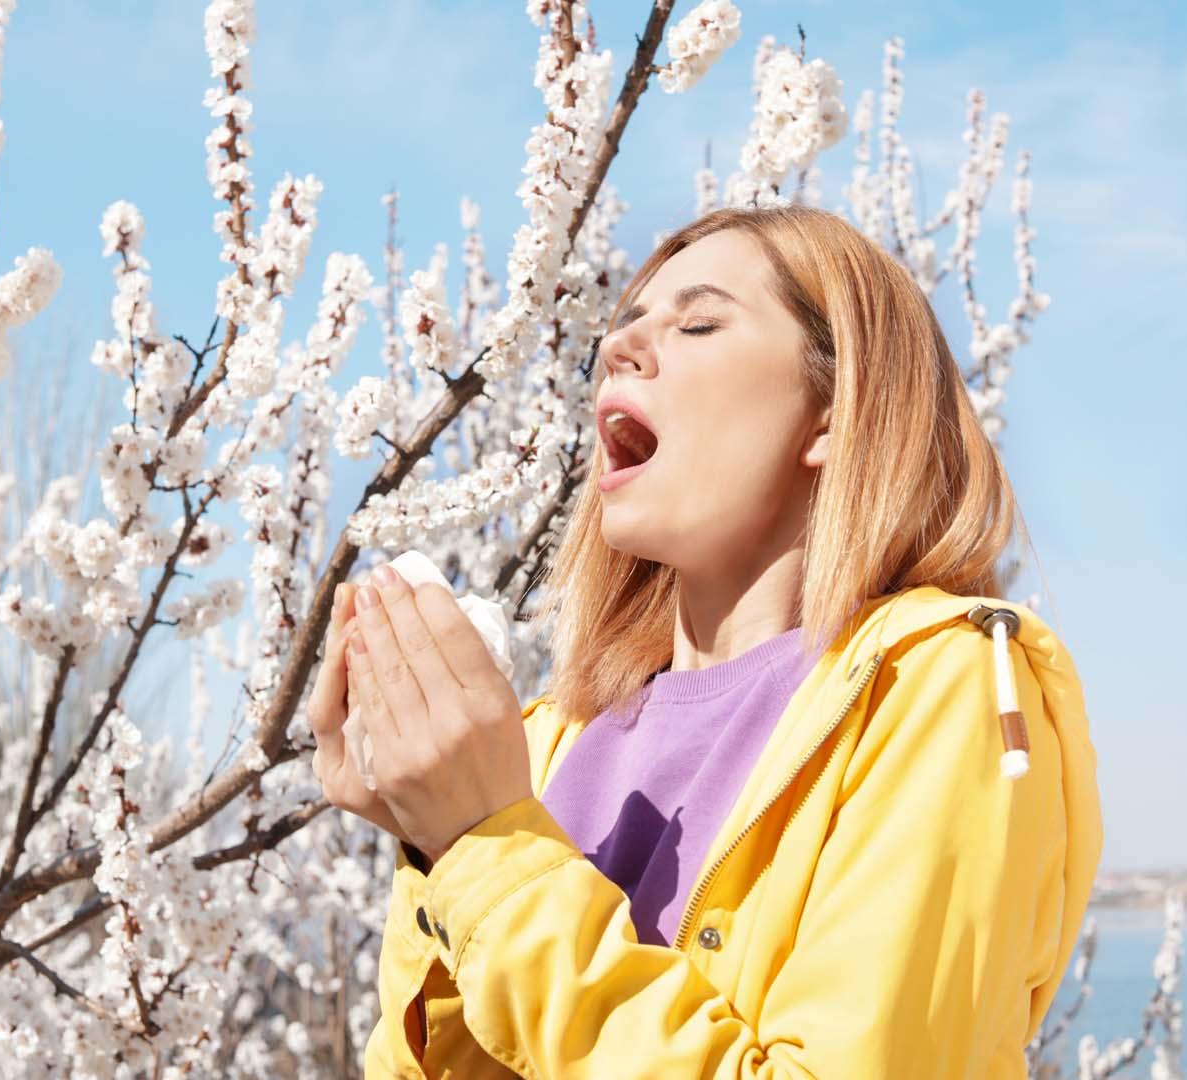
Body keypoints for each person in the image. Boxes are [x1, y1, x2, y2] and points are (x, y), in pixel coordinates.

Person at [308, 206, 1102, 1079]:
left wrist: (490, 847)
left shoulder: (931, 692)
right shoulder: (545, 743)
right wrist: (441, 846)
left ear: (835, 411)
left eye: (697, 322)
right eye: (623, 328)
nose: (621, 348)